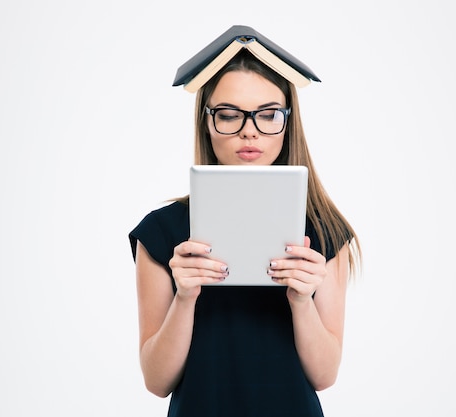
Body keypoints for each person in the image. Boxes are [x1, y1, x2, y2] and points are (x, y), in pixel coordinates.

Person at [129, 27, 361, 417]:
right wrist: (185, 297)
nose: (249, 129)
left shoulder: (325, 230)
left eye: (268, 114)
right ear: (207, 121)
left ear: (288, 123)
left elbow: (324, 375)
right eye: (229, 114)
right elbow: (156, 381)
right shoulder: (161, 231)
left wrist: (302, 302)